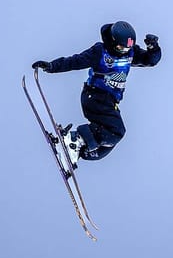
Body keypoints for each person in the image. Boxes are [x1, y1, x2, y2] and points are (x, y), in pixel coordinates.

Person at [32, 21, 162, 167]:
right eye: (120, 47)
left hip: (110, 101)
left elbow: (149, 60)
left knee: (105, 145)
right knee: (116, 131)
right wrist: (52, 66)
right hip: (95, 96)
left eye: (127, 48)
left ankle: (75, 152)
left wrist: (153, 48)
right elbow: (75, 61)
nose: (124, 51)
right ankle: (74, 139)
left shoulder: (130, 53)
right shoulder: (100, 51)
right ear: (113, 41)